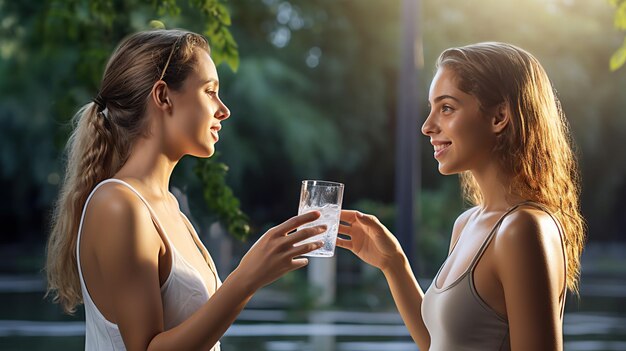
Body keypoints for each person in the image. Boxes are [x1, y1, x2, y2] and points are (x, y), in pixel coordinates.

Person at [45, 29, 326, 351]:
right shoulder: (119, 205)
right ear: (163, 96)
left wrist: (250, 276)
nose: (223, 110)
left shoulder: (168, 207)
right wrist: (247, 278)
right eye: (209, 91)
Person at [338, 42, 585, 351]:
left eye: (447, 108)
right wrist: (394, 265)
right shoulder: (467, 223)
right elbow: (438, 343)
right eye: (431, 108)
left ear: (499, 117)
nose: (427, 126)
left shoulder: (521, 229)